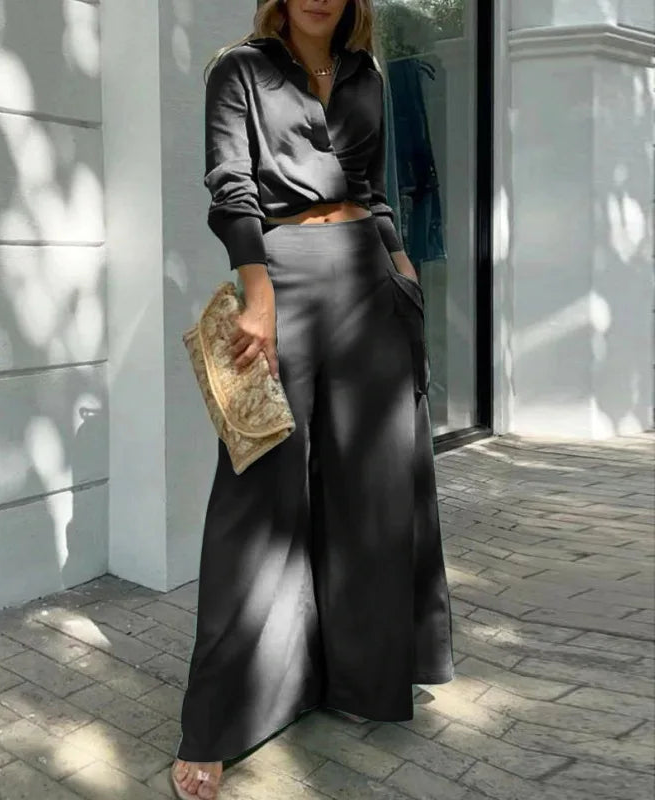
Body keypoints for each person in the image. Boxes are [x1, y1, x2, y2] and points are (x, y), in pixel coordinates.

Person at [171, 2, 454, 797]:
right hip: (284, 279)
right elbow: (231, 187)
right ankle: (218, 722)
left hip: (370, 278)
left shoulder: (366, 74)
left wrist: (402, 268)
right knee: (256, 496)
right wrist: (255, 292)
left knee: (371, 490)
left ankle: (362, 678)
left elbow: (375, 185)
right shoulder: (241, 69)